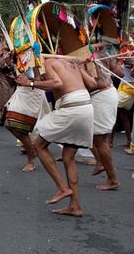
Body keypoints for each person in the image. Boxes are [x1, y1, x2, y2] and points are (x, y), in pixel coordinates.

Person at [17, 57, 94, 217]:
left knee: (38, 145)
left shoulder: (49, 62)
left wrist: (30, 83)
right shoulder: (71, 63)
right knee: (68, 157)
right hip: (86, 107)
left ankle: (62, 188)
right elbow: (92, 85)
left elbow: (57, 83)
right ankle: (75, 206)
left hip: (71, 108)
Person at [80, 44, 123, 190]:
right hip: (104, 95)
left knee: (101, 139)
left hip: (102, 96)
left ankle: (112, 179)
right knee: (90, 134)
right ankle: (100, 162)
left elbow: (94, 84)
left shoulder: (92, 58)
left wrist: (80, 69)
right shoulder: (98, 56)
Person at [4, 67, 49, 172]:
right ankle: (31, 151)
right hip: (21, 90)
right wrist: (9, 63)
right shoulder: (20, 53)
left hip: (33, 92)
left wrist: (30, 80)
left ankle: (31, 159)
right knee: (10, 124)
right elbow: (16, 71)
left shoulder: (36, 54)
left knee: (20, 128)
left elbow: (41, 78)